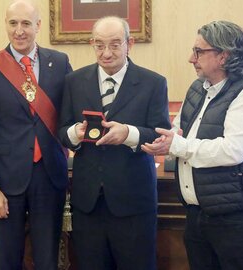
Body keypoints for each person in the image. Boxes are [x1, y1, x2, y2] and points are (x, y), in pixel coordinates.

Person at [142, 21, 243, 270]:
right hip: (197, 214)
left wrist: (178, 145)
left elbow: (232, 150)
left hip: (236, 220)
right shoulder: (198, 89)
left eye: (199, 51)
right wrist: (166, 141)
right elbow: (179, 129)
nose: (191, 59)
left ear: (223, 56)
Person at [58, 16, 170, 270]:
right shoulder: (74, 81)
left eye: (115, 45)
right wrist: (77, 132)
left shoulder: (153, 83)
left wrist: (128, 134)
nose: (106, 53)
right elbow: (62, 132)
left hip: (133, 203)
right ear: (92, 44)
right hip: (88, 204)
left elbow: (159, 134)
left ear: (129, 43)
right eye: (99, 45)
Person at [0, 0, 72, 269]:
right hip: (5, 180)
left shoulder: (59, 62)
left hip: (49, 176)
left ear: (38, 26)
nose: (19, 30)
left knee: (48, 259)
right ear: (6, 25)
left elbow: (69, 115)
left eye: (26, 23)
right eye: (13, 23)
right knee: (8, 259)